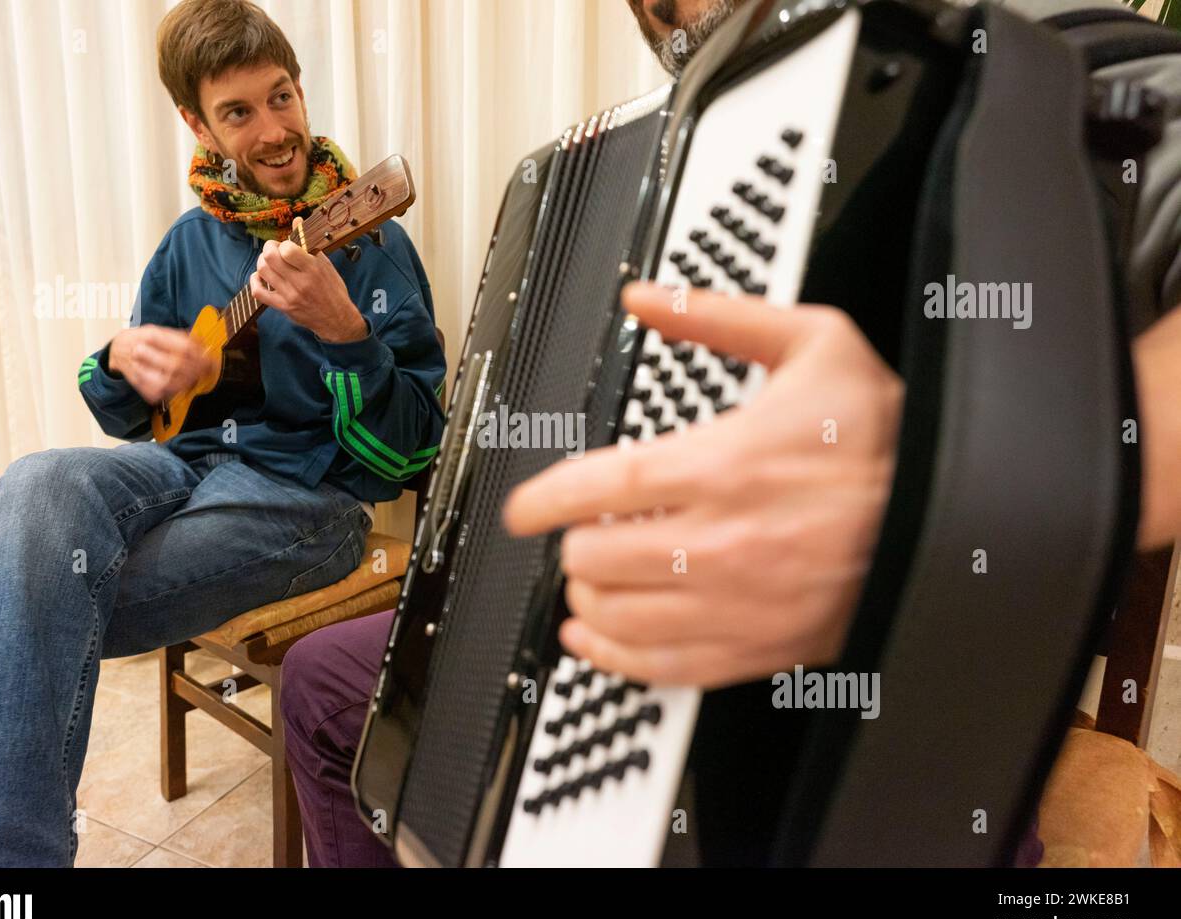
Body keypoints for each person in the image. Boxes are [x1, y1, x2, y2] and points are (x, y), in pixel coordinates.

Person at [279, 0, 1181, 866]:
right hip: (644, 592)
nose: (683, 35)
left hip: (899, 668)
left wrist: (950, 488)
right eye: (656, 18)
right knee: (326, 686)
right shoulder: (663, 168)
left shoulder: (1013, 44)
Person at [0, 0, 446, 867]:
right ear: (196, 123)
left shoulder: (370, 244)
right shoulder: (186, 245)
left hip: (305, 504)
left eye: (282, 98)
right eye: (239, 112)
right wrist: (125, 361)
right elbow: (128, 409)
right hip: (180, 472)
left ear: (302, 90)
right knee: (39, 479)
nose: (275, 131)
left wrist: (349, 337)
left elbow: (420, 448)